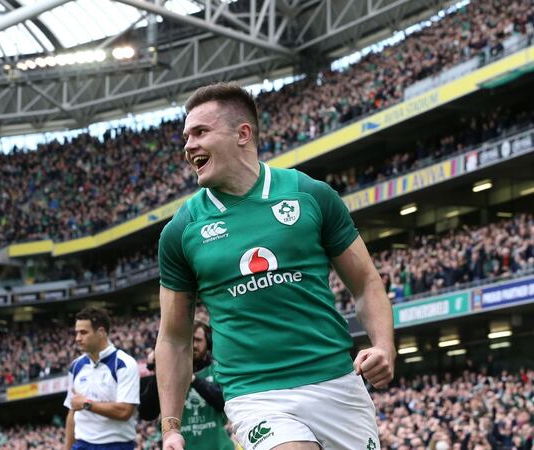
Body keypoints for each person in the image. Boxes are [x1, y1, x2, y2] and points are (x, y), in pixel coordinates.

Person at [156, 82, 395, 450]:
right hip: (255, 395)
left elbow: (364, 281)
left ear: (242, 133)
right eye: (186, 136)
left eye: (200, 132)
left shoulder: (310, 194)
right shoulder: (182, 230)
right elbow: (173, 336)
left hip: (335, 382)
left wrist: (383, 346)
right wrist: (171, 425)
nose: (188, 146)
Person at [140, 321, 234, 450]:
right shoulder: (168, 375)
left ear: (208, 343)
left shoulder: (217, 369)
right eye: (188, 340)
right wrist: (160, 369)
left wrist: (193, 379)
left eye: (198, 340)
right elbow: (147, 413)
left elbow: (224, 402)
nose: (193, 345)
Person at [63, 307, 140, 450]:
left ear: (101, 332)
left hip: (117, 445)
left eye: (83, 333)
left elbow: (124, 412)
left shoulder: (124, 364)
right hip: (82, 445)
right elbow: (72, 411)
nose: (78, 338)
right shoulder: (76, 366)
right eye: (77, 333)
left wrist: (87, 404)